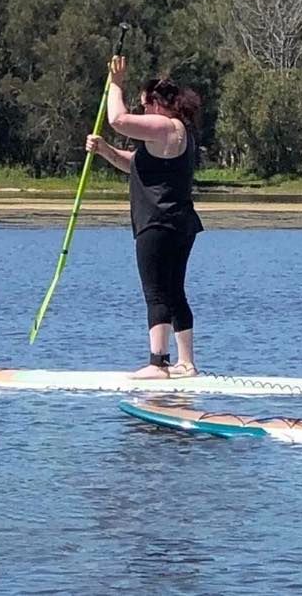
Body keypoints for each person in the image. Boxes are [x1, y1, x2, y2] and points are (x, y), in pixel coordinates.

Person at [86, 55, 204, 379]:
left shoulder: (166, 125)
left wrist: (116, 84)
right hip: (180, 222)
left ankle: (158, 363)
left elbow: (118, 119)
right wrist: (105, 151)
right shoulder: (178, 133)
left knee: (155, 291)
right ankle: (186, 363)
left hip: (157, 222)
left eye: (144, 106)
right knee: (174, 290)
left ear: (155, 103)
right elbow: (136, 164)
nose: (142, 114)